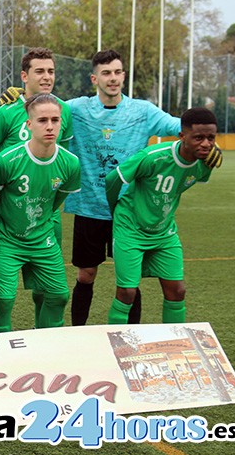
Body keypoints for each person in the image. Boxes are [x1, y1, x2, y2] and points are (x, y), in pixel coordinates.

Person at [64, 49, 182, 326]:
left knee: (129, 278)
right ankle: (77, 333)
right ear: (95, 78)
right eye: (106, 73)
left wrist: (203, 134)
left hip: (129, 211)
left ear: (123, 76)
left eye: (117, 72)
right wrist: (21, 97)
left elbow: (178, 126)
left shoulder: (143, 111)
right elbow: (41, 108)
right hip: (89, 207)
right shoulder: (76, 109)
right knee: (86, 275)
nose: (112, 78)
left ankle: (132, 335)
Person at [0, 47, 73, 327]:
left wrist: (49, 208)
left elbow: (62, 163)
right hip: (10, 209)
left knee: (49, 290)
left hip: (46, 216)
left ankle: (42, 341)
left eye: (51, 71)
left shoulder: (63, 110)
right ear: (24, 75)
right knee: (4, 296)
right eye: (39, 71)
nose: (46, 77)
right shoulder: (7, 111)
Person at [104, 107, 218, 324]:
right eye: (198, 138)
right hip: (130, 228)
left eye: (211, 138)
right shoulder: (153, 157)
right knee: (127, 292)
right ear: (182, 136)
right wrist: (114, 209)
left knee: (177, 290)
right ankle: (113, 343)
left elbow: (184, 184)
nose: (206, 144)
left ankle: (177, 343)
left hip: (164, 231)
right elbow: (112, 179)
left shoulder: (205, 163)